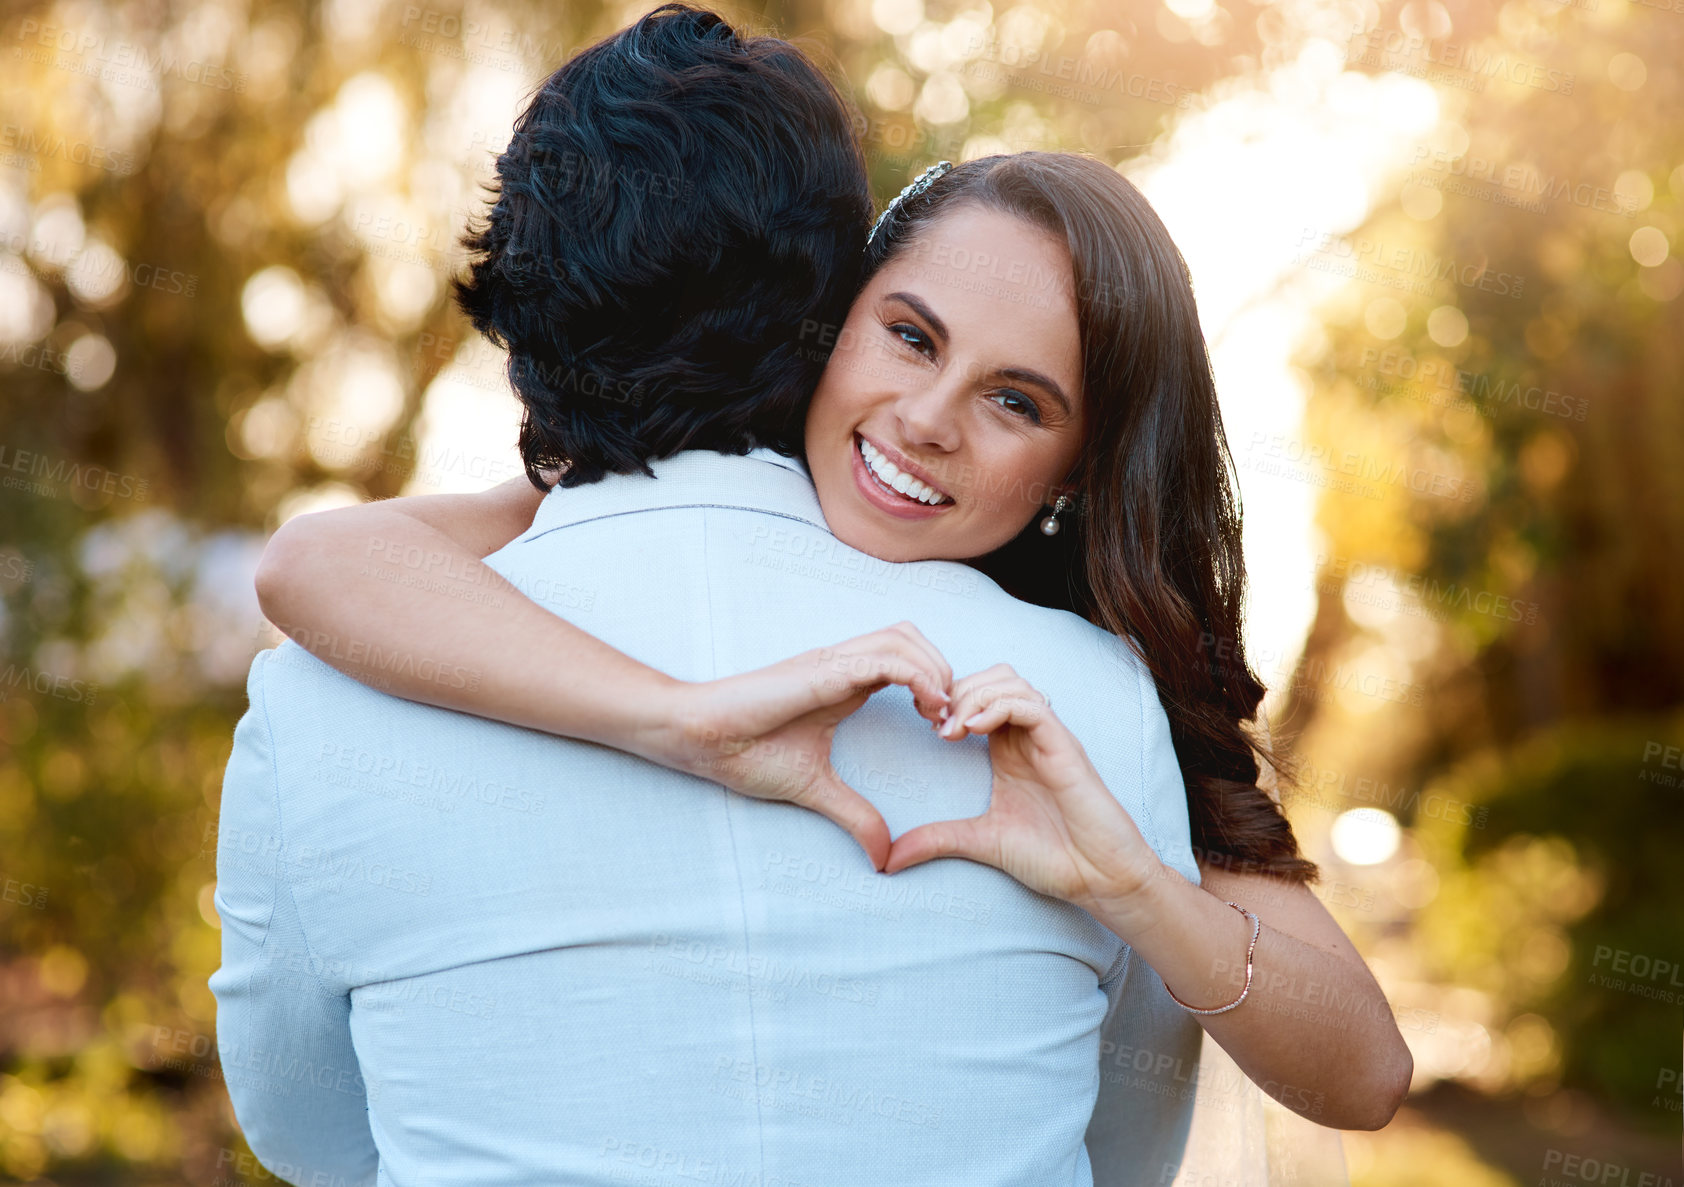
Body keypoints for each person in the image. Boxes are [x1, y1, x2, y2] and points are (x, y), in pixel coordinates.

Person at [216, 8, 1406, 1187]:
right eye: (907, 334)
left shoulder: (1078, 718)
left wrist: (1133, 885)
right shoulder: (1092, 694)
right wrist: (677, 713)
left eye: (1017, 401)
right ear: (824, 315)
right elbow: (1112, 1138)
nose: (927, 421)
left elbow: (310, 1132)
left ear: (1081, 467)